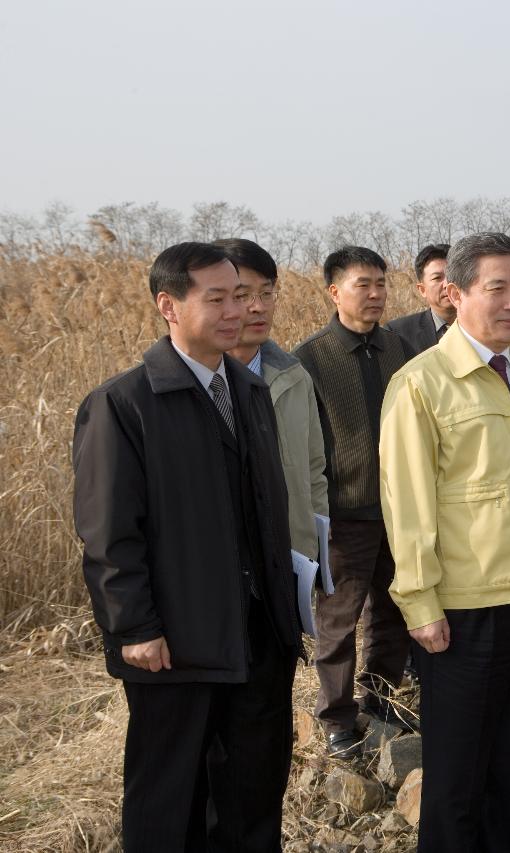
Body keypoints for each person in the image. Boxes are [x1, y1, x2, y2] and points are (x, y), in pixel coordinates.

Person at [73, 242, 300, 851]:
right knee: (169, 799)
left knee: (254, 791)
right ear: (168, 305)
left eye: (246, 296)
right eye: (219, 298)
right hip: (174, 643)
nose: (239, 311)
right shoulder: (123, 405)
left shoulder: (251, 393)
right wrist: (134, 627)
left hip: (258, 634)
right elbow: (108, 533)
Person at [380, 232, 510, 851]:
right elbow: (407, 505)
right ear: (456, 292)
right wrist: (419, 602)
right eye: (497, 288)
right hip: (465, 610)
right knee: (457, 775)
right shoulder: (421, 384)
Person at [294, 246, 416, 757]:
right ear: (334, 291)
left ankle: (382, 696)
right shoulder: (310, 358)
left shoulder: (400, 349)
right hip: (344, 513)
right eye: (363, 284)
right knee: (339, 619)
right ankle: (337, 717)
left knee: (394, 608)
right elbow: (306, 443)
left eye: (382, 284)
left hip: (400, 507)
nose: (375, 294)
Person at [216, 238, 329, 560]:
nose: (258, 307)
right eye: (243, 295)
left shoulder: (294, 377)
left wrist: (314, 547)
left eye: (267, 293)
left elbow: (313, 469)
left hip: (288, 557)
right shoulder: (189, 384)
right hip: (218, 565)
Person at [387, 243, 454, 354]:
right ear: (422, 289)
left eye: (452, 276)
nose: (447, 284)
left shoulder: (486, 323)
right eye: (437, 278)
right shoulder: (398, 333)